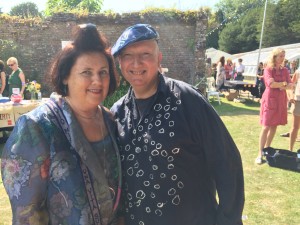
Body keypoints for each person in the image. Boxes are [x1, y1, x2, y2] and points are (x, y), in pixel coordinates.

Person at [111, 23, 244, 225]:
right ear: (120, 63)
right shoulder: (117, 113)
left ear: (159, 59)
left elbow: (227, 162)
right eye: (128, 56)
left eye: (145, 54)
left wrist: (228, 220)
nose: (136, 64)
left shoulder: (187, 100)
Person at [1, 23, 122, 225]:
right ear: (66, 76)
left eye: (103, 72)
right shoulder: (37, 127)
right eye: (86, 72)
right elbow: (26, 213)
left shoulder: (111, 121)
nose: (97, 81)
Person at [256, 48, 293, 164]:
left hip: (280, 100)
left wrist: (285, 85)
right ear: (275, 57)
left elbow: (291, 85)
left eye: (283, 56)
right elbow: (271, 84)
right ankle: (260, 153)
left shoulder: (285, 70)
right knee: (266, 126)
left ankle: (267, 149)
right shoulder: (268, 69)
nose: (283, 58)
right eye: (281, 56)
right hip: (270, 100)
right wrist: (283, 84)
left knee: (274, 126)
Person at [288, 68, 300, 151]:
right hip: (298, 100)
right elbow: (291, 84)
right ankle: (290, 150)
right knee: (295, 127)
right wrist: (291, 95)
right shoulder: (298, 71)